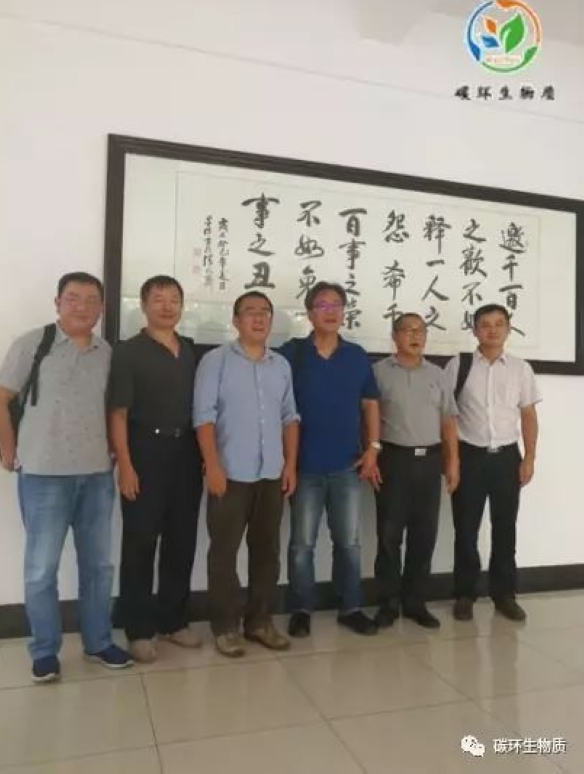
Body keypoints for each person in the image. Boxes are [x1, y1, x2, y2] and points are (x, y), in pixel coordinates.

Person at [0, 272, 131, 682]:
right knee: (41, 570)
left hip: (96, 477)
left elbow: (113, 410)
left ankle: (98, 642)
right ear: (58, 303)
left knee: (98, 566)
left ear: (102, 308)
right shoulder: (33, 344)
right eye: (73, 298)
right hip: (43, 477)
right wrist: (9, 453)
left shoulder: (107, 352)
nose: (82, 306)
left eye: (91, 300)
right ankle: (45, 650)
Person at [193, 290, 299, 657]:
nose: (258, 318)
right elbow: (203, 417)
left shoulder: (280, 365)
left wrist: (290, 464)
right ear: (236, 320)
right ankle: (225, 627)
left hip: (271, 473)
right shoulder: (215, 361)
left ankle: (259, 622)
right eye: (250, 312)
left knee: (267, 552)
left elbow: (290, 417)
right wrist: (212, 465)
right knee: (224, 553)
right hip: (230, 474)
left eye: (264, 312)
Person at [108, 275, 202, 663]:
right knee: (140, 543)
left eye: (174, 299)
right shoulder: (128, 352)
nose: (167, 306)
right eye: (159, 299)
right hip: (145, 451)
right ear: (144, 305)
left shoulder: (190, 350)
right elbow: (118, 413)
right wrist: (125, 465)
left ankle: (173, 621)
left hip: (187, 454)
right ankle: (139, 629)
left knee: (182, 540)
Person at [281, 281, 380, 638]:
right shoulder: (291, 354)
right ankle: (301, 609)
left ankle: (350, 607)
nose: (331, 311)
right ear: (310, 313)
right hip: (303, 467)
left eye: (337, 304)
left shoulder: (356, 355)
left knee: (349, 544)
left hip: (347, 466)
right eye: (322, 305)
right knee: (301, 545)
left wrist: (373, 449)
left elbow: (370, 404)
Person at [444, 304, 541, 622]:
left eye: (499, 324)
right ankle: (465, 594)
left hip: (506, 458)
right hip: (469, 456)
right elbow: (447, 416)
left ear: (508, 329)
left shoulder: (520, 368)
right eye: (485, 324)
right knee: (465, 529)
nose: (492, 330)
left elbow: (528, 415)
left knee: (505, 528)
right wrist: (452, 461)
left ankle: (504, 595)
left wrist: (529, 457)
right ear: (475, 331)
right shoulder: (459, 365)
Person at [372, 313, 459, 630]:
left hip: (430, 461)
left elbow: (448, 420)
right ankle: (388, 603)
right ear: (394, 336)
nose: (415, 336)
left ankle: (415, 603)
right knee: (389, 536)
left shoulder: (437, 374)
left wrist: (453, 461)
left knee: (424, 535)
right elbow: (366, 418)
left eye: (420, 330)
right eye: (407, 330)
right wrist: (371, 456)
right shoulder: (378, 372)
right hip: (393, 460)